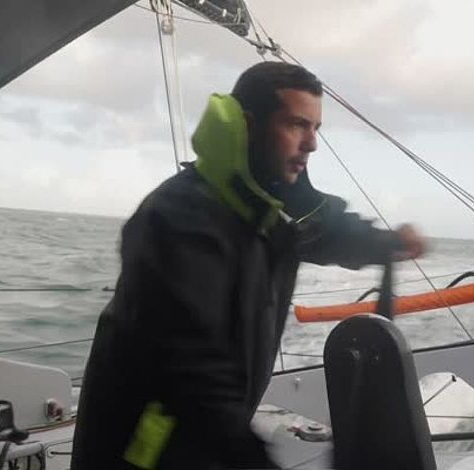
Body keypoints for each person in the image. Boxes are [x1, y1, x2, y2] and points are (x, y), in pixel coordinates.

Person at [70, 62, 425, 470]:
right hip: (144, 450)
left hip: (206, 439)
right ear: (247, 127)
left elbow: (326, 229)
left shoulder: (265, 206)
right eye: (297, 125)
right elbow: (195, 374)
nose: (311, 144)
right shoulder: (175, 218)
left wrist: (388, 243)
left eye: (316, 128)